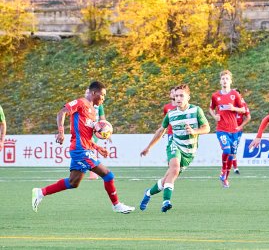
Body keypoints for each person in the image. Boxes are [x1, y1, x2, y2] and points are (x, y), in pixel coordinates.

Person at [31, 81, 135, 214]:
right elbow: (61, 112)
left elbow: (86, 137)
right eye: (102, 95)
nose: (103, 98)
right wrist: (61, 131)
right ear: (93, 93)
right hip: (81, 150)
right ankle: (116, 205)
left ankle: (41, 192)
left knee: (73, 182)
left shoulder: (93, 112)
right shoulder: (81, 103)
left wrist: (98, 148)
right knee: (108, 175)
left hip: (83, 149)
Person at [139, 84, 210, 213]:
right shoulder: (171, 114)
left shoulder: (196, 110)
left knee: (168, 178)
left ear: (188, 97)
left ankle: (148, 193)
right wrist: (149, 147)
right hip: (174, 145)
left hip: (189, 152)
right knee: (175, 169)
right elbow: (161, 130)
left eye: (181, 95)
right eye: (176, 96)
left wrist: (194, 131)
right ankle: (166, 201)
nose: (178, 98)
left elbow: (207, 128)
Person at [209, 70, 245, 188]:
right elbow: (211, 108)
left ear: (230, 81)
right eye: (223, 79)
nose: (225, 81)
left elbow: (243, 110)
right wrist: (215, 116)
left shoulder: (235, 94)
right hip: (222, 129)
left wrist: (234, 108)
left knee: (231, 154)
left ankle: (225, 178)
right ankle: (223, 171)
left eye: (227, 79)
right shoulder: (215, 96)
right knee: (226, 150)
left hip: (234, 130)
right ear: (220, 81)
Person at [85, 88, 108, 180]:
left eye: (88, 92)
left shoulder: (99, 105)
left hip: (95, 130)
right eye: (85, 92)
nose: (86, 94)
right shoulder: (84, 105)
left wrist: (106, 131)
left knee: (90, 148)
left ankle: (93, 173)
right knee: (88, 149)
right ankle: (92, 172)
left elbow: (102, 119)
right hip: (86, 130)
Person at [232, 88, 251, 174]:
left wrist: (240, 126)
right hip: (227, 129)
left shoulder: (243, 104)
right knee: (228, 149)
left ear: (240, 95)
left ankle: (234, 167)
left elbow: (248, 117)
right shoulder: (228, 103)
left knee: (233, 149)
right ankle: (233, 167)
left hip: (237, 130)